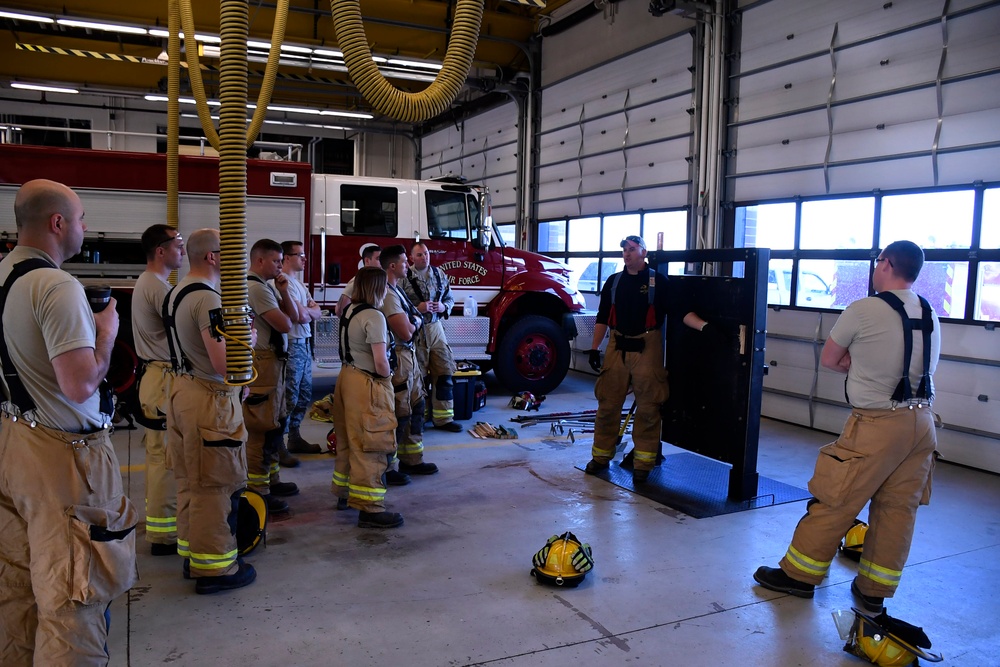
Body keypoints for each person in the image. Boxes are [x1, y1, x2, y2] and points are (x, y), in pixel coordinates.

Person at [754, 240, 941, 613]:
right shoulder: (929, 311)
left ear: (886, 264)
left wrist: (861, 366)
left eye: (878, 261)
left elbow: (830, 359)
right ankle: (873, 591)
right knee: (898, 510)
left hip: (876, 424)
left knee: (836, 500)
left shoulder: (864, 308)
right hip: (922, 424)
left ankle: (799, 576)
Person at [0, 179, 138, 664]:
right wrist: (106, 333)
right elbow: (80, 385)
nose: (84, 227)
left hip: (14, 441)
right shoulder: (56, 286)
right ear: (58, 223)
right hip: (62, 460)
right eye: (81, 219)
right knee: (72, 598)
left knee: (18, 587)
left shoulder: (4, 275)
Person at [164, 228, 256, 594]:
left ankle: (195, 555)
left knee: (192, 481)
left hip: (182, 392)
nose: (239, 260)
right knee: (216, 484)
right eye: (231, 252)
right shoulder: (208, 299)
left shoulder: (178, 292)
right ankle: (216, 568)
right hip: (209, 400)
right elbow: (223, 363)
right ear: (213, 257)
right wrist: (248, 339)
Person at [584, 235, 671, 484]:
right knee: (607, 405)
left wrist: (704, 328)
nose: (627, 253)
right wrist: (594, 348)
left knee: (648, 408)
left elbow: (677, 313)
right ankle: (601, 457)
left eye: (632, 249)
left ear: (644, 252)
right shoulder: (614, 281)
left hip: (648, 346)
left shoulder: (659, 282)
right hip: (617, 345)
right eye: (624, 249)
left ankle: (643, 464)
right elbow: (603, 316)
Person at [331, 266, 404, 528]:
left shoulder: (350, 310)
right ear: (378, 288)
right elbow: (381, 362)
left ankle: (344, 493)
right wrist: (388, 379)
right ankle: (370, 508)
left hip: (346, 379)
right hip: (366, 384)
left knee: (348, 441)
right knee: (371, 444)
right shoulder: (374, 316)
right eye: (385, 286)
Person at [132, 224, 186, 556]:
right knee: (167, 459)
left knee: (159, 457)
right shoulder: (157, 288)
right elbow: (186, 333)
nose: (183, 251)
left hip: (156, 379)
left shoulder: (151, 283)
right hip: (163, 380)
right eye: (178, 245)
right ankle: (165, 537)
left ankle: (161, 529)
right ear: (161, 250)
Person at [245, 238, 301, 515]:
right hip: (263, 363)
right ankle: (259, 491)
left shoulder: (267, 286)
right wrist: (283, 304)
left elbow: (294, 315)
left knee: (275, 423)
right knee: (262, 428)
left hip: (273, 363)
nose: (281, 266)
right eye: (276, 261)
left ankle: (271, 479)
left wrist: (284, 292)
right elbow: (286, 323)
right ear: (260, 261)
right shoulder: (256, 289)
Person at [381, 245, 439, 478]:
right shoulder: (388, 294)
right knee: (400, 412)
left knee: (416, 406)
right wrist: (415, 321)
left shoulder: (397, 290)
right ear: (392, 266)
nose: (408, 265)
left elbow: (413, 316)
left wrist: (413, 319)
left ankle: (412, 460)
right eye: (405, 262)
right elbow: (405, 331)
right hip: (399, 358)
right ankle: (388, 467)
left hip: (409, 356)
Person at [403, 241, 463, 432]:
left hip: (437, 330)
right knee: (418, 378)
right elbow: (396, 305)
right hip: (415, 331)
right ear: (412, 258)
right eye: (419, 254)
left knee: (444, 373)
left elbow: (450, 298)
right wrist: (417, 308)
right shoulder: (404, 277)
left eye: (426, 253)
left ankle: (444, 419)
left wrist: (444, 307)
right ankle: (419, 419)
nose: (424, 257)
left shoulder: (439, 274)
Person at [279, 240, 323, 458]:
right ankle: (279, 442)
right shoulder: (282, 283)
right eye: (300, 255)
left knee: (304, 395)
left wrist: (308, 310)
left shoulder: (300, 284)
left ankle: (294, 437)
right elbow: (301, 316)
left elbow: (317, 312)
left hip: (304, 344)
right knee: (290, 396)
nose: (305, 259)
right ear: (287, 257)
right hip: (293, 346)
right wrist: (307, 311)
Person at [336, 243, 381, 316]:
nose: (382, 262)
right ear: (367, 260)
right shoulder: (358, 281)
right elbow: (340, 310)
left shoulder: (376, 281)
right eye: (378, 259)